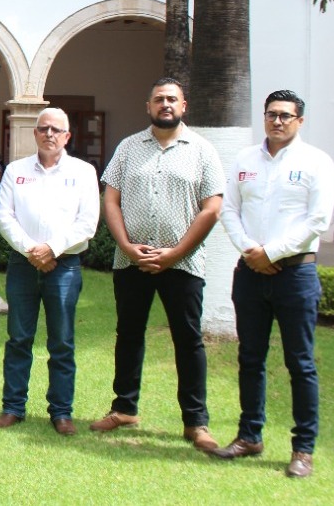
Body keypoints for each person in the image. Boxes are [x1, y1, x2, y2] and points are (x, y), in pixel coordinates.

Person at [92, 77, 223, 452]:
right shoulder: (128, 148)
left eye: (171, 99)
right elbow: (111, 200)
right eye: (158, 99)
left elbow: (212, 208)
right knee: (128, 334)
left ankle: (195, 422)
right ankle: (124, 408)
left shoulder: (202, 151)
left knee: (188, 340)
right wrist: (126, 246)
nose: (165, 104)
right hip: (131, 259)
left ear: (183, 106)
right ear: (148, 106)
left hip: (183, 263)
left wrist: (175, 252)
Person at [211, 90, 334, 478]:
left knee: (300, 362)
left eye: (285, 115)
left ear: (300, 121)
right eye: (271, 114)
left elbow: (318, 220)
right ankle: (249, 435)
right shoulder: (245, 160)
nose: (277, 121)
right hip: (250, 273)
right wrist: (251, 251)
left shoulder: (316, 162)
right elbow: (229, 210)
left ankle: (303, 449)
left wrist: (272, 252)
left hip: (296, 275)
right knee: (250, 357)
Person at [0, 108, 99, 436]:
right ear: (35, 133)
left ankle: (61, 412)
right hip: (23, 265)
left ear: (67, 136)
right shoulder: (16, 170)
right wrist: (32, 250)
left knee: (62, 341)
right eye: (43, 128)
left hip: (64, 265)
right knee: (19, 338)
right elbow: (4, 216)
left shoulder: (83, 172)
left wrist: (51, 248)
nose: (49, 134)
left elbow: (87, 222)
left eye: (56, 129)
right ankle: (13, 407)